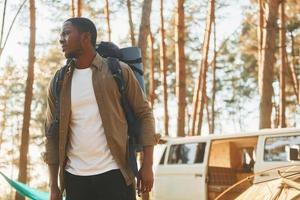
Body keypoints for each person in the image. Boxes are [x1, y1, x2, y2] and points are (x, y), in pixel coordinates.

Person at [44, 17, 156, 200]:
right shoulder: (59, 81)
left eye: (66, 33)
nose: (61, 39)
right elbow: (51, 134)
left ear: (85, 37)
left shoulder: (118, 71)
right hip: (75, 180)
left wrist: (148, 164)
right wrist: (53, 185)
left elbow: (144, 114)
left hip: (116, 175)